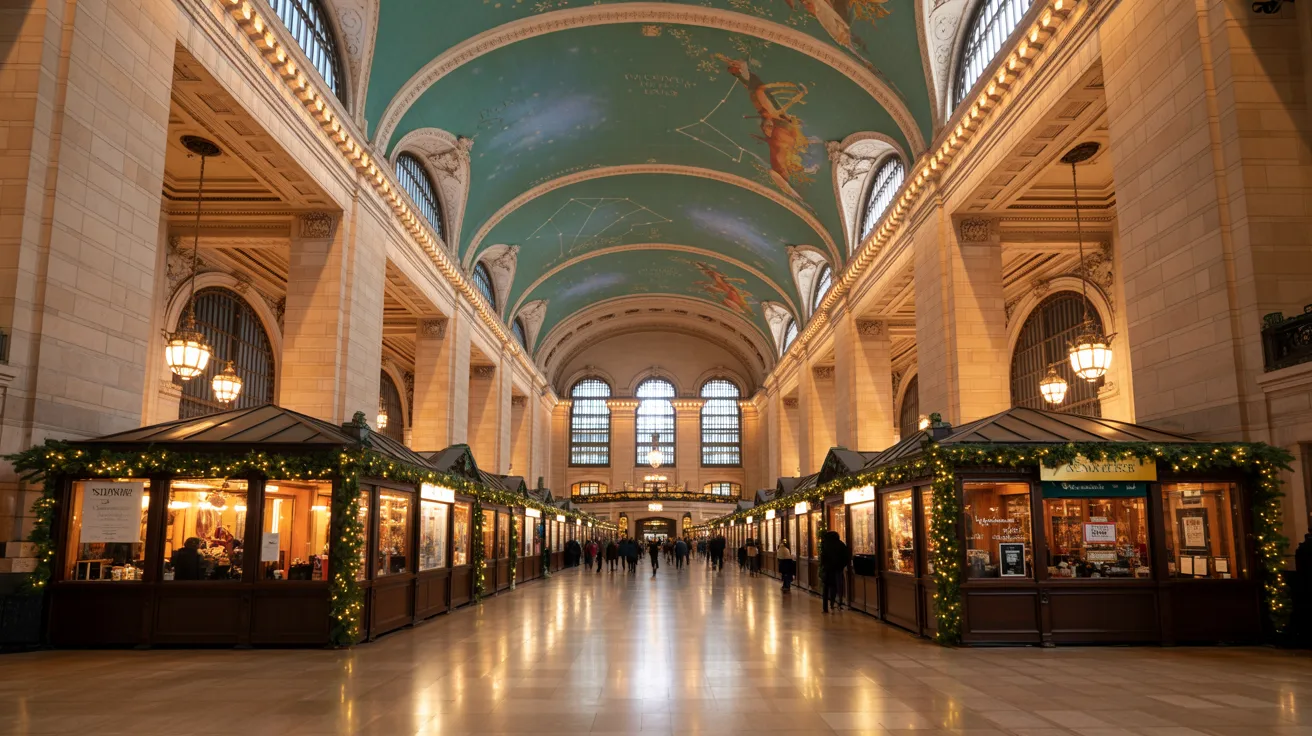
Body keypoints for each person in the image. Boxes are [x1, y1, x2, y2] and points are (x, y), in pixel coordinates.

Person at [820, 530, 850, 613]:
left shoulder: (825, 545)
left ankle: (825, 607)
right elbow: (846, 557)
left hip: (828, 570)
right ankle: (835, 603)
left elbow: (823, 557)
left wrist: (824, 566)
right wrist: (841, 566)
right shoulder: (841, 545)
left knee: (826, 588)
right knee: (836, 586)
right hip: (837, 569)